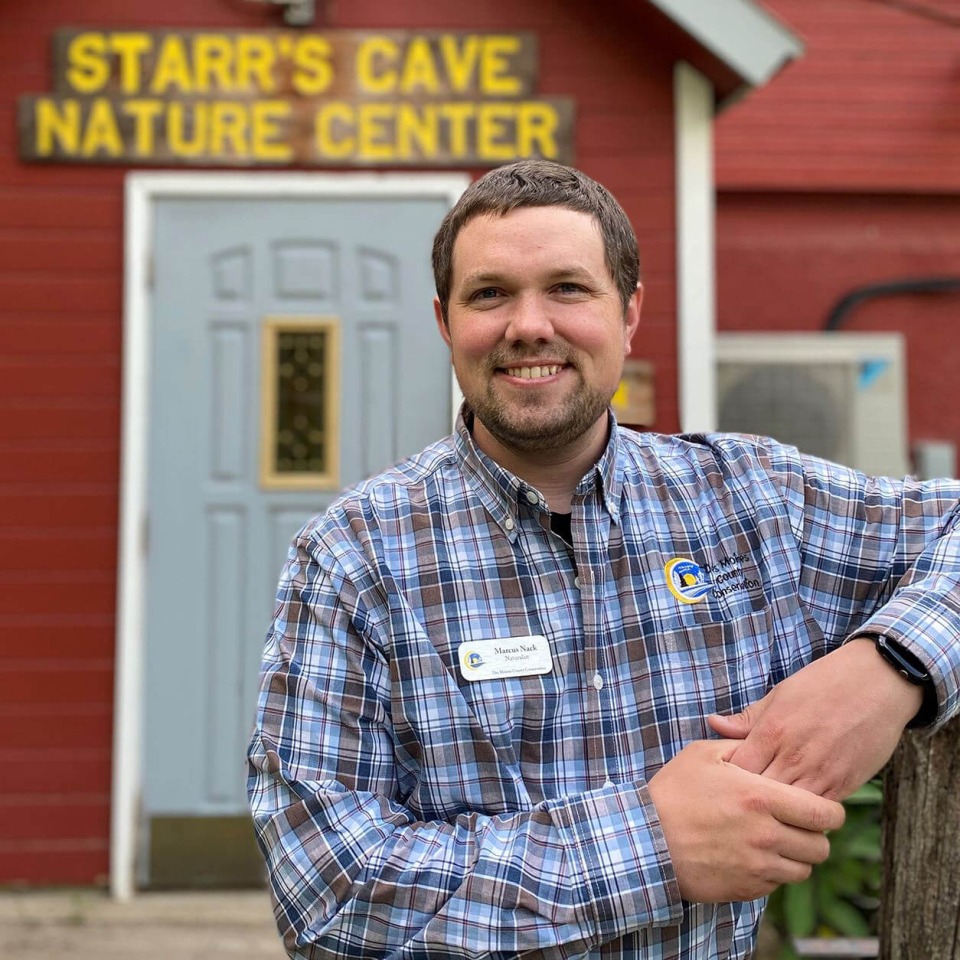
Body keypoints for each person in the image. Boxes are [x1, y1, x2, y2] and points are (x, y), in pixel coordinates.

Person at [247, 160, 960, 959]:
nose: (528, 325)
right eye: (490, 294)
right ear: (447, 324)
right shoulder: (354, 559)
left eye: (568, 289)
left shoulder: (757, 503)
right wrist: (649, 849)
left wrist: (890, 666)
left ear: (629, 315)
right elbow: (326, 897)